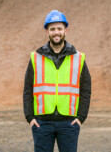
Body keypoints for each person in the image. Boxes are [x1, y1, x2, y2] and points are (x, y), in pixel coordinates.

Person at [23, 10, 91, 152]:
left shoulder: (78, 58)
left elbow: (86, 90)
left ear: (65, 31)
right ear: (47, 32)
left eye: (59, 29)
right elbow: (27, 90)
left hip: (69, 122)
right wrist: (30, 118)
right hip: (42, 122)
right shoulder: (36, 57)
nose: (56, 32)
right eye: (52, 29)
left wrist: (81, 118)